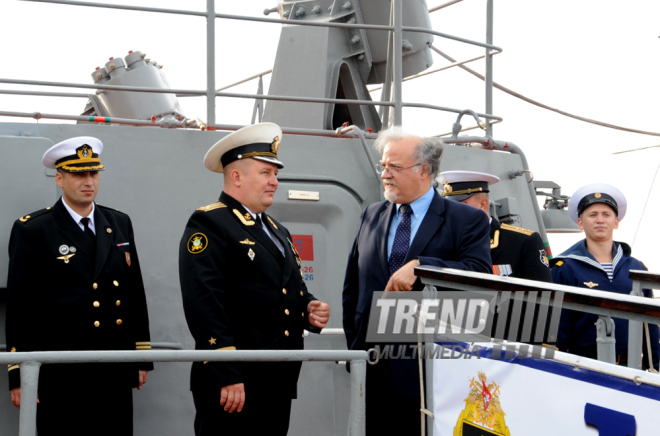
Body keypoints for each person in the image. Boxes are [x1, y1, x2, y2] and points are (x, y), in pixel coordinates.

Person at [179, 122, 331, 436]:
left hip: (277, 377)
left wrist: (309, 308)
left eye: (275, 174)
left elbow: (286, 288)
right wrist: (227, 373)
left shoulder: (277, 230)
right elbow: (204, 302)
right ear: (236, 176)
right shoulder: (210, 223)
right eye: (265, 173)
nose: (275, 181)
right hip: (235, 381)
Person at [342, 127, 491, 435]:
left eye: (394, 167)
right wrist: (355, 350)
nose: (385, 174)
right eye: (383, 166)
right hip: (374, 366)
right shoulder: (371, 214)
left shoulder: (465, 219)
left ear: (424, 170)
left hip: (432, 371)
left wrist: (423, 267)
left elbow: (479, 274)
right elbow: (353, 287)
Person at [5, 136, 153, 436]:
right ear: (60, 178)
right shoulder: (33, 229)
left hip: (114, 365)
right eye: (78, 174)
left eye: (93, 173)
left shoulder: (119, 222)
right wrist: (19, 374)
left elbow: (133, 290)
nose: (88, 181)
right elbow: (20, 305)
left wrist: (141, 356)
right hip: (61, 371)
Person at [551, 183, 659, 369]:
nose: (600, 220)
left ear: (616, 222)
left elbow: (650, 327)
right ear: (580, 223)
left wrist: (655, 365)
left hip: (632, 368)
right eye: (592, 215)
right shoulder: (564, 268)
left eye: (606, 215)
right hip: (583, 367)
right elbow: (558, 327)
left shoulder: (637, 267)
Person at [440, 170, 552, 282]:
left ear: (483, 205)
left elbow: (541, 295)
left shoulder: (523, 242)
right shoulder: (440, 242)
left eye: (460, 206)